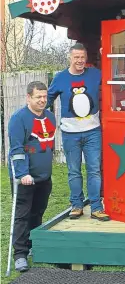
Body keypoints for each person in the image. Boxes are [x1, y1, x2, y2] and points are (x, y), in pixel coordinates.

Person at [47, 43, 110, 221]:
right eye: (76, 57)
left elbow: (114, 78)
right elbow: (48, 100)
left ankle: (96, 207)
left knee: (94, 170)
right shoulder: (60, 78)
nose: (80, 60)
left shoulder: (95, 74)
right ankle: (76, 205)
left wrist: (106, 56)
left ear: (86, 58)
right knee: (74, 170)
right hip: (70, 133)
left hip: (92, 132)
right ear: (70, 57)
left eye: (82, 57)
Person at [8, 81, 56, 272]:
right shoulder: (18, 119)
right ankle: (20, 254)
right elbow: (17, 150)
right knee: (22, 215)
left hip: (44, 178)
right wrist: (22, 174)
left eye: (45, 97)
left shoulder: (50, 117)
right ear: (29, 97)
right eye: (38, 97)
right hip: (25, 179)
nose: (43, 100)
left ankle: (32, 246)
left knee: (38, 213)